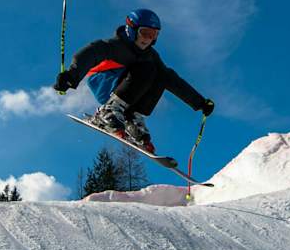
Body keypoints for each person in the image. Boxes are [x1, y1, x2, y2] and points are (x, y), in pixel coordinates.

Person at [54, 8, 215, 152]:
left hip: (127, 86)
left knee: (162, 73)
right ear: (132, 30)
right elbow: (89, 53)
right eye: (145, 33)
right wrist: (71, 76)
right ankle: (108, 111)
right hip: (105, 81)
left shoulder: (150, 54)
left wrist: (199, 102)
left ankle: (132, 117)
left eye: (153, 35)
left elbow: (172, 80)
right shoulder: (116, 45)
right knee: (147, 68)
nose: (148, 39)